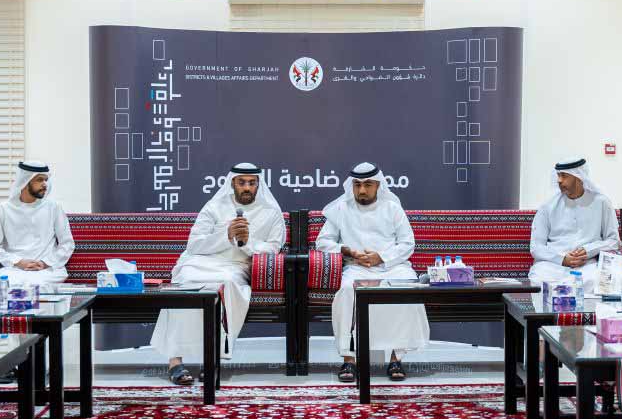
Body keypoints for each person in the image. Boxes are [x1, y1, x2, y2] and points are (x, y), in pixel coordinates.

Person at [151, 163, 287, 385]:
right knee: (184, 284)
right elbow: (194, 245)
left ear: (258, 185)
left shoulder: (271, 212)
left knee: (225, 285)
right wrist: (226, 235)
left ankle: (211, 360)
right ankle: (175, 362)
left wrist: (246, 241)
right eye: (241, 182)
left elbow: (273, 248)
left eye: (251, 183)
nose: (246, 187)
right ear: (232, 183)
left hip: (235, 266)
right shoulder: (214, 206)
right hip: (200, 262)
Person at [317, 163, 430, 382]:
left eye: (368, 185)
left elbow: (407, 244)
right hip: (356, 267)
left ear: (378, 185)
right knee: (347, 290)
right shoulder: (341, 208)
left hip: (392, 267)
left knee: (407, 287)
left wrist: (381, 257)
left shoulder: (392, 208)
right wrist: (348, 251)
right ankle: (349, 360)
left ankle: (396, 359)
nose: (361, 190)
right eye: (357, 185)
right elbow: (322, 242)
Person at [0, 160, 74, 300]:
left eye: (46, 180)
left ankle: (34, 316)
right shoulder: (4, 209)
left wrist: (46, 262)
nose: (45, 184)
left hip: (47, 270)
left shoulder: (53, 207)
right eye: (39, 180)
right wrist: (18, 261)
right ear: (25, 181)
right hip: (14, 269)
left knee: (36, 288)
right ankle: (3, 316)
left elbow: (67, 243)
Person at [528, 157, 620, 290]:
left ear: (578, 177)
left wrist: (588, 250)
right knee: (538, 278)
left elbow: (613, 241)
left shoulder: (601, 203)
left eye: (564, 176)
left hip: (586, 266)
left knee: (598, 280)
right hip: (553, 266)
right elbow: (536, 247)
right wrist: (562, 259)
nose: (559, 180)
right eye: (558, 175)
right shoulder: (547, 206)